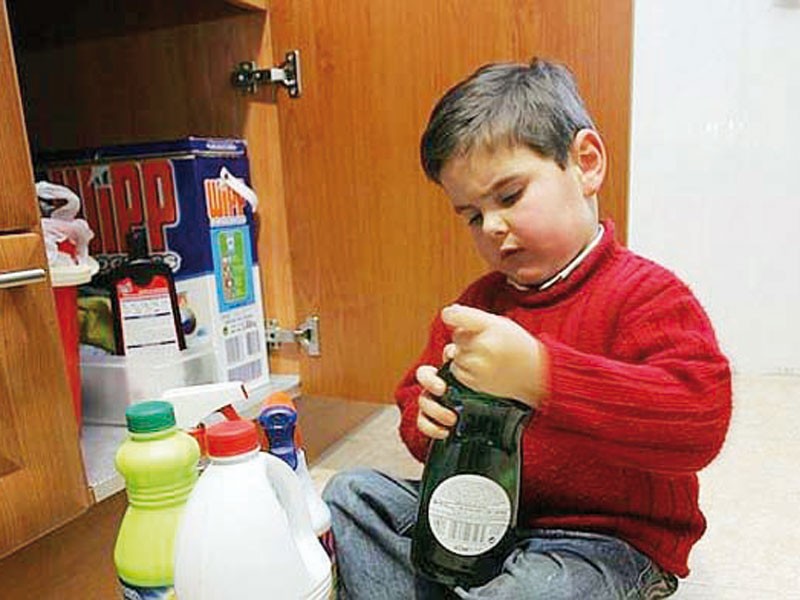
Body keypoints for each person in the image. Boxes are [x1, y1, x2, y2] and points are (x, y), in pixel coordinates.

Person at [323, 57, 731, 599]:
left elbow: (699, 423)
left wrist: (541, 375)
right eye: (472, 215)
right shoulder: (478, 306)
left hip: (602, 542)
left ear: (585, 164)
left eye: (510, 196)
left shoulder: (646, 294)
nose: (492, 226)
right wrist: (427, 417)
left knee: (539, 590)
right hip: (487, 522)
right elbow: (415, 407)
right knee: (352, 494)